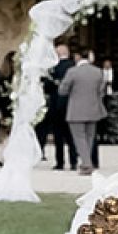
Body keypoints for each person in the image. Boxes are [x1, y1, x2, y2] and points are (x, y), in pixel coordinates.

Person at [61, 46, 107, 173]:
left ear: (77, 56)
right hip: (93, 108)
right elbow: (101, 91)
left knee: (79, 138)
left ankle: (87, 164)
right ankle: (87, 162)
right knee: (90, 137)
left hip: (76, 109)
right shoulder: (98, 71)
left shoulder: (72, 72)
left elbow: (63, 90)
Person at [40, 40, 74, 171]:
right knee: (71, 136)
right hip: (70, 105)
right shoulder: (73, 66)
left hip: (56, 105)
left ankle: (60, 162)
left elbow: (47, 87)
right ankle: (73, 161)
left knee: (58, 136)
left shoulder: (53, 68)